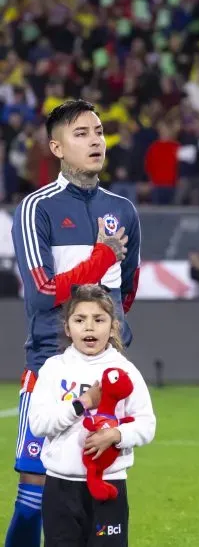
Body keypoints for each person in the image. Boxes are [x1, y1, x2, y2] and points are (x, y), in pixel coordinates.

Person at [8, 100, 141, 547]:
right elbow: (44, 290)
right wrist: (101, 256)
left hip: (108, 371)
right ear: (57, 147)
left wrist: (113, 328)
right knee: (35, 488)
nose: (96, 140)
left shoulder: (123, 210)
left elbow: (128, 286)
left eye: (100, 131)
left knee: (103, 482)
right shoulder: (36, 209)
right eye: (82, 132)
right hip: (51, 366)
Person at [28, 284, 156, 547]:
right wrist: (82, 404)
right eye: (79, 319)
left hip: (109, 486)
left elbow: (146, 424)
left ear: (112, 327)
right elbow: (39, 424)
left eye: (98, 320)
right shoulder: (54, 369)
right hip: (60, 487)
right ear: (67, 328)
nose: (89, 327)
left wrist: (116, 435)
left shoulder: (124, 370)